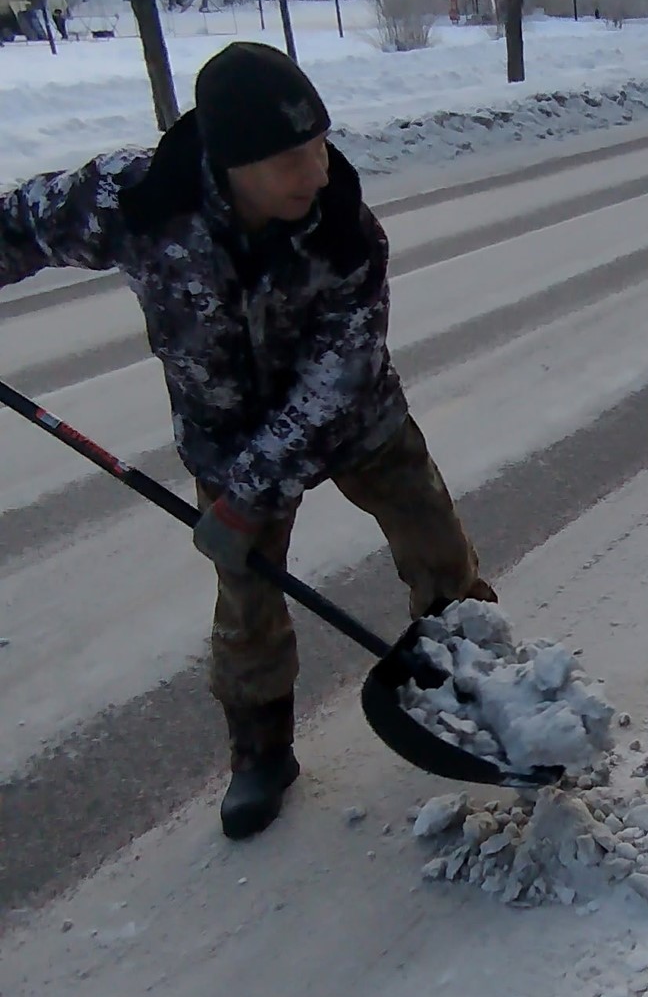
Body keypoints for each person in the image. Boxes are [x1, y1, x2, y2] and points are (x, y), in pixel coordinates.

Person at [0, 43, 496, 840]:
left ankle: (481, 688)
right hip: (224, 436)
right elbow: (21, 221)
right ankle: (260, 751)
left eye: (319, 147)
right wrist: (241, 492)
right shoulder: (138, 200)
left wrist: (255, 489)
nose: (317, 172)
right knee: (247, 597)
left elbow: (338, 377)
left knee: (437, 546)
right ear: (231, 164)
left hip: (357, 419)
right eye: (291, 160)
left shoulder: (345, 231)